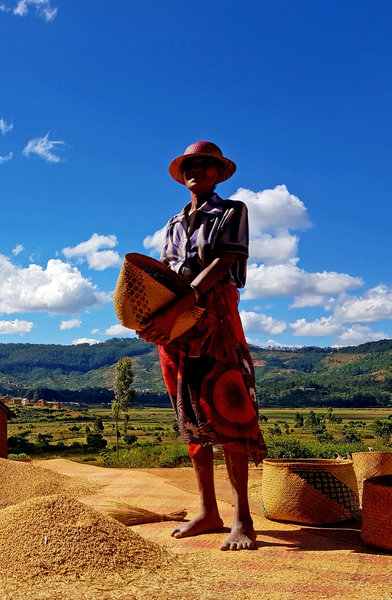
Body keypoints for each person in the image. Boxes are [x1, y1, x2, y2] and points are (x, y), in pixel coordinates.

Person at [138, 141, 267, 551]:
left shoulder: (232, 211)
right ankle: (207, 511)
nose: (198, 171)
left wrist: (180, 304)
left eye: (206, 166)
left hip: (215, 315)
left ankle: (242, 517)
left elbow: (223, 263)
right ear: (184, 174)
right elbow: (165, 277)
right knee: (190, 413)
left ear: (218, 173)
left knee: (226, 409)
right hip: (178, 322)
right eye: (191, 166)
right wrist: (153, 318)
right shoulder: (173, 223)